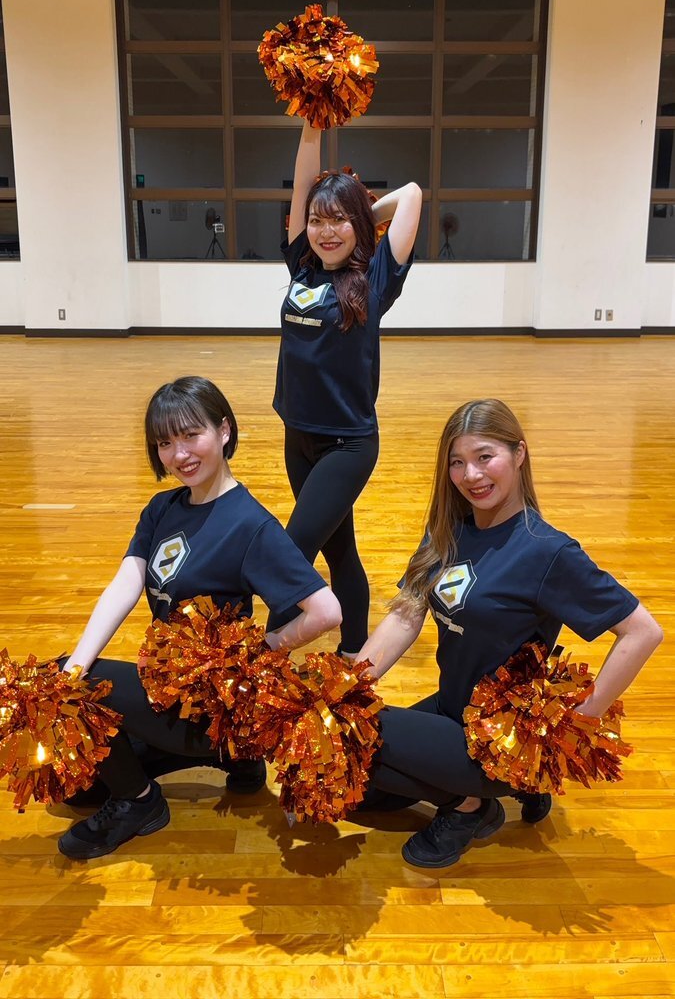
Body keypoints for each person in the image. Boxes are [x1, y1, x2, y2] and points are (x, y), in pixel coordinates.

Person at [355, 399, 663, 870]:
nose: (471, 475)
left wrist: (578, 722)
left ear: (519, 453)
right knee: (356, 780)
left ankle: (471, 805)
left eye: (485, 457)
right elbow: (406, 616)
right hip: (450, 706)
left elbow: (643, 631)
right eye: (457, 462)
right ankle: (503, 788)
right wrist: (348, 685)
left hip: (495, 737)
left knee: (357, 732)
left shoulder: (547, 551)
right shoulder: (448, 528)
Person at [57, 376, 341, 860]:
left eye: (191, 435)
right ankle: (239, 759)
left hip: (209, 706)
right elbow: (126, 584)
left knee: (79, 695)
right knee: (80, 789)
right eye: (165, 442)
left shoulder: (252, 525)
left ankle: (141, 803)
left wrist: (261, 653)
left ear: (224, 430)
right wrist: (77, 667)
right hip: (169, 689)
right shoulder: (163, 507)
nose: (179, 454)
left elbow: (327, 611)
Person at [269, 120, 423, 656]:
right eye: (317, 220)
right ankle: (354, 653)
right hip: (298, 436)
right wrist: (311, 125)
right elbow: (303, 182)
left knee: (291, 551)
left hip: (347, 444)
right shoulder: (302, 264)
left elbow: (412, 195)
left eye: (338, 221)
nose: (325, 231)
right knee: (340, 553)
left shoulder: (376, 278)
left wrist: (358, 213)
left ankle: (260, 654)